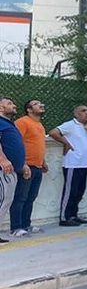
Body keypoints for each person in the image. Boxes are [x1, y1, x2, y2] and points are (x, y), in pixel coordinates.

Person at [49, 105, 87, 227]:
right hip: (72, 164)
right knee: (70, 191)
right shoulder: (70, 125)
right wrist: (66, 143)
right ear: (76, 114)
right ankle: (64, 218)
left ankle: (73, 215)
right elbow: (53, 132)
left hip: (84, 164)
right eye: (83, 111)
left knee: (79, 192)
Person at [9, 100, 48, 236]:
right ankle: (15, 227)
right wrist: (23, 164)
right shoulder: (22, 122)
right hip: (27, 166)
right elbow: (17, 143)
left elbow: (37, 144)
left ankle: (26, 225)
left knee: (31, 197)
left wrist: (43, 161)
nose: (41, 105)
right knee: (21, 197)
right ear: (29, 109)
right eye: (37, 104)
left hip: (37, 166)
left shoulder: (39, 125)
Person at [0, 96, 28, 243]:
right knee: (3, 200)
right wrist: (3, 159)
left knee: (6, 200)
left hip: (12, 169)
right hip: (4, 169)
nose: (14, 105)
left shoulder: (8, 124)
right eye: (9, 103)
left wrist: (23, 164)